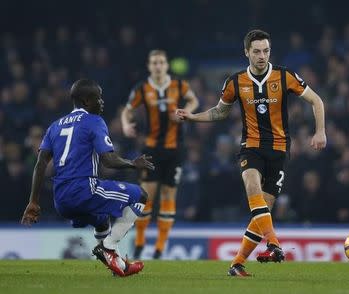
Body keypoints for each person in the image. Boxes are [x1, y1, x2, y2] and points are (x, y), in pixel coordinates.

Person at [176, 29, 327, 276]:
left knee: (262, 212)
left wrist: (320, 131)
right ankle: (275, 244)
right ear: (246, 52)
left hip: (279, 150)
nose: (262, 56)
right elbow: (219, 112)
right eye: (256, 51)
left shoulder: (284, 76)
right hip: (251, 147)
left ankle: (236, 264)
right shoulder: (235, 82)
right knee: (252, 186)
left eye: (266, 50)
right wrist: (193, 116)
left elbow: (317, 101)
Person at [21, 79, 154, 277]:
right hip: (84, 189)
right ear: (85, 101)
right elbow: (108, 160)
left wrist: (33, 201)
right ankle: (109, 247)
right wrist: (133, 164)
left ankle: (119, 267)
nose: (101, 102)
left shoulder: (54, 126)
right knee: (141, 195)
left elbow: (40, 164)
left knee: (101, 221)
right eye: (97, 98)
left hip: (61, 199)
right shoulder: (94, 121)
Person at [121, 49, 199, 259]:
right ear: (149, 66)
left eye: (161, 62)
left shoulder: (179, 85)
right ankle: (139, 242)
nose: (158, 66)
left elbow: (193, 100)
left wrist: (186, 112)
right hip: (151, 149)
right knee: (146, 196)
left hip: (175, 150)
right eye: (154, 62)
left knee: (168, 195)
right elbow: (127, 110)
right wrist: (126, 124)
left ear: (166, 65)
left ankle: (159, 247)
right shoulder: (142, 88)